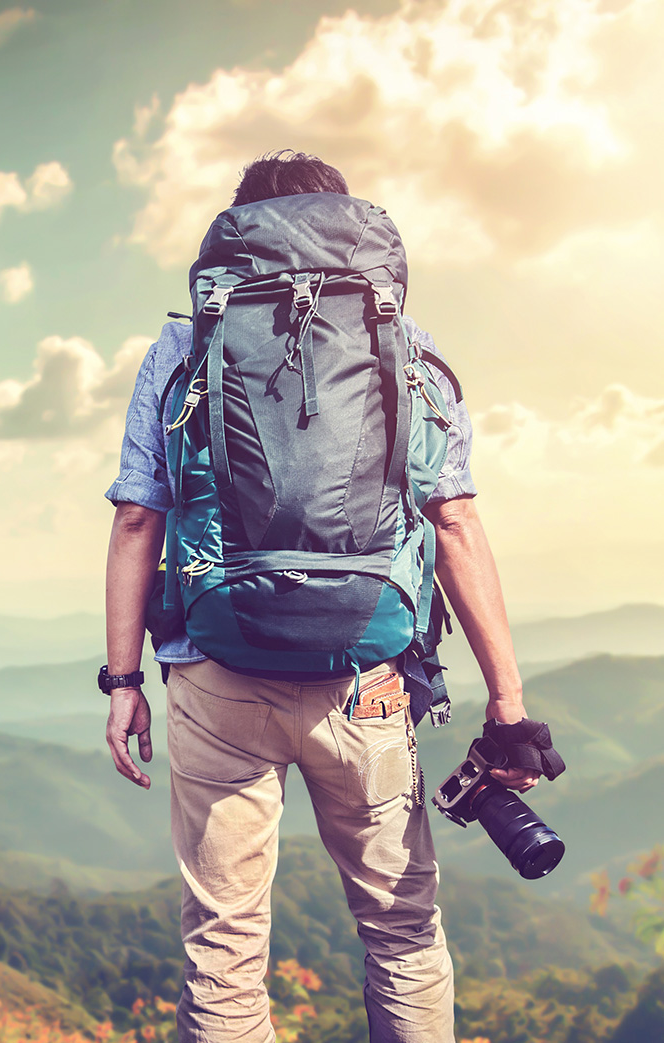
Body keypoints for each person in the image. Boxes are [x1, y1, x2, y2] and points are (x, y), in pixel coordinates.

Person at [103, 152, 539, 1043]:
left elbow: (137, 525)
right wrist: (508, 704)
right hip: (368, 678)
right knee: (403, 931)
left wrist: (121, 681)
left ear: (236, 238)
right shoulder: (405, 347)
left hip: (215, 674)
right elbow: (451, 523)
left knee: (225, 948)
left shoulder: (184, 346)